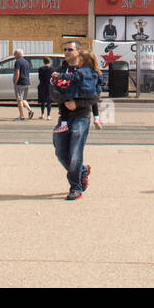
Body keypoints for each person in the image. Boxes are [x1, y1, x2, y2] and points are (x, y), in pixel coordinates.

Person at [51, 41, 102, 200]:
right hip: (64, 116)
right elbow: (52, 92)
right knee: (60, 152)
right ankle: (82, 171)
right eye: (64, 49)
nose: (66, 52)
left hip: (81, 117)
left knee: (75, 154)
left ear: (78, 52)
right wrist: (66, 100)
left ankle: (75, 187)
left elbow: (95, 96)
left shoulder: (87, 71)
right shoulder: (60, 70)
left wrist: (79, 104)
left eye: (70, 49)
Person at [12, 49, 32, 121]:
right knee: (23, 99)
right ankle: (30, 110)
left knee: (19, 100)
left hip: (20, 83)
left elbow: (17, 72)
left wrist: (15, 82)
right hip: (26, 82)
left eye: (15, 54)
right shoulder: (26, 61)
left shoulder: (17, 62)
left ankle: (22, 116)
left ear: (18, 54)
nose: (14, 55)